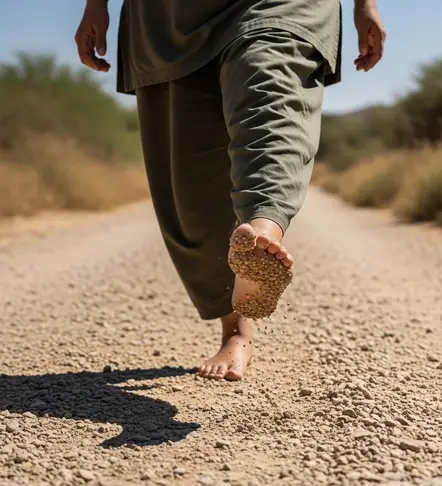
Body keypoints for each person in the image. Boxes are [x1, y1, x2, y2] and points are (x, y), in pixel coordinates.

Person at [75, 0, 386, 381]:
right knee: (193, 176)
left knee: (270, 94)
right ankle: (239, 314)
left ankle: (262, 230)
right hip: (167, 15)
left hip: (279, 6)